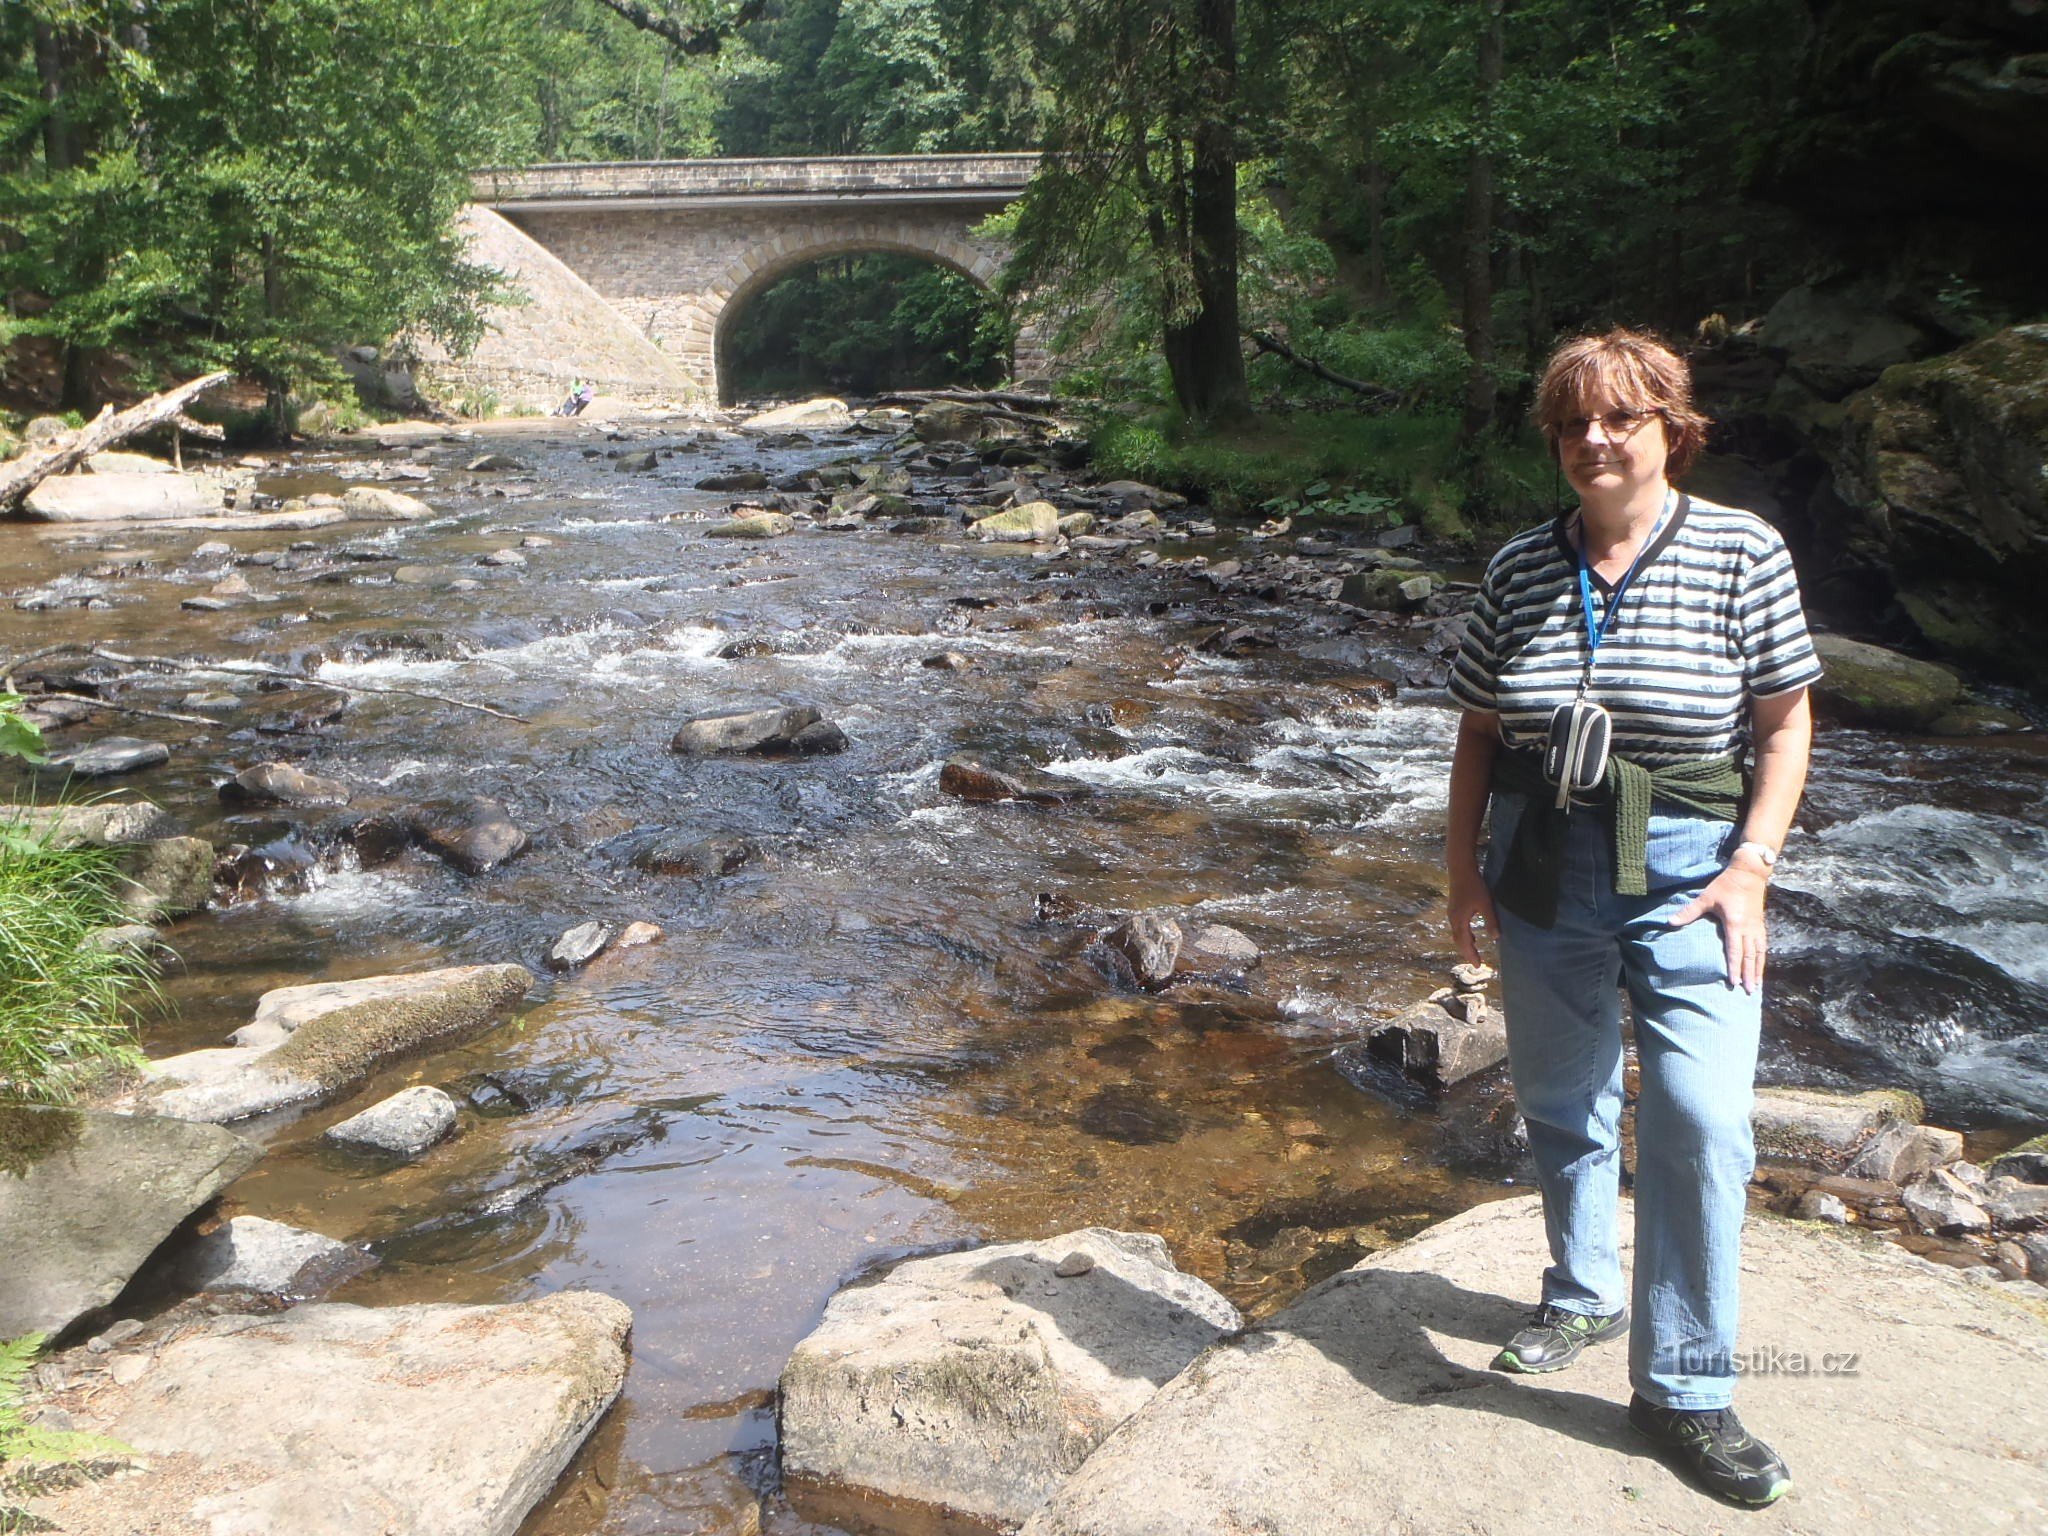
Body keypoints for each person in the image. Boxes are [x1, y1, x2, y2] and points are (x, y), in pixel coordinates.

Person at [1443, 328, 1820, 1507]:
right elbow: (1474, 735)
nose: (1592, 440)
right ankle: (1578, 1293)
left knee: (1703, 1120)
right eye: (1570, 423)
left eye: (1617, 418)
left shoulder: (1738, 550)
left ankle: (1685, 1391)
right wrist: (1458, 876)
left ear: (1669, 427)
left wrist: (1752, 866)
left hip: (1691, 875)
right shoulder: (1515, 570)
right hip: (1542, 871)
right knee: (1563, 1103)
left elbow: (1781, 724)